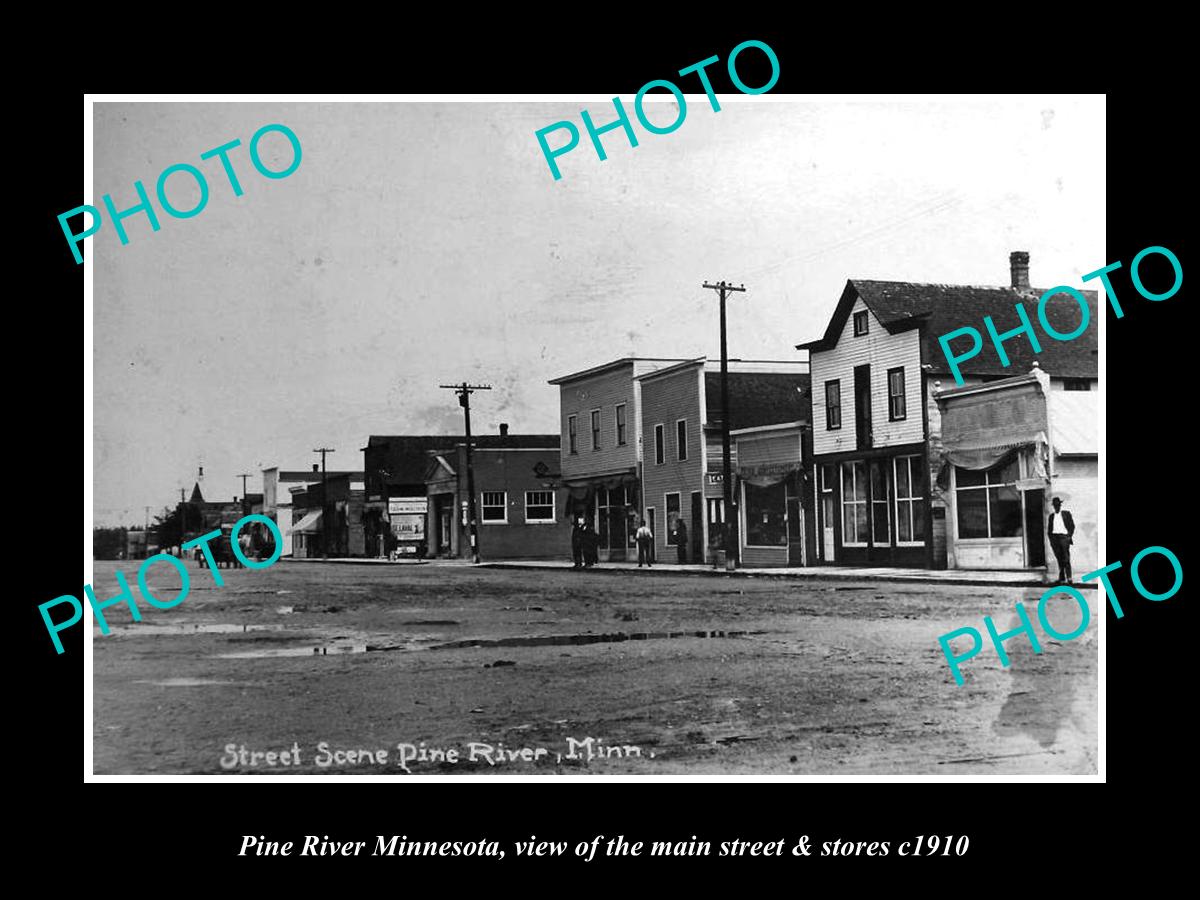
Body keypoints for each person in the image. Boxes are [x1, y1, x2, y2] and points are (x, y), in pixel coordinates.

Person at [1047, 496, 1075, 584]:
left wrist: (1069, 536)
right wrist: (1051, 540)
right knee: (1059, 558)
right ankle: (1062, 578)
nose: (1057, 507)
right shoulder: (1051, 516)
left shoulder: (1066, 514)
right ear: (1053, 506)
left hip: (1064, 538)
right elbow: (1049, 529)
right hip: (1055, 538)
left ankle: (1069, 578)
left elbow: (1072, 526)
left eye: (1058, 505)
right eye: (1055, 505)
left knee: (1066, 558)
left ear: (1060, 505)